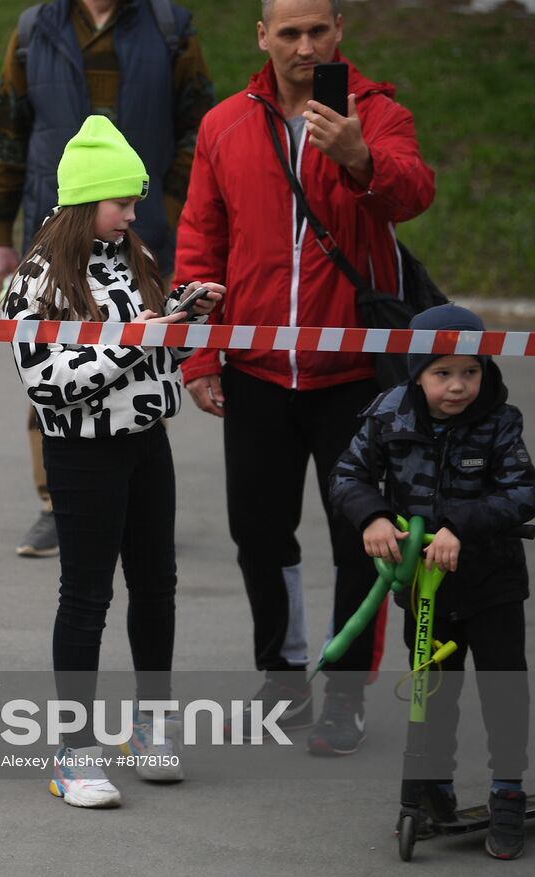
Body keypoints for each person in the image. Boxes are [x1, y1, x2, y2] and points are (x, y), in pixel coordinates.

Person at [176, 0, 435, 754]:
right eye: (288, 32)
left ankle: (345, 695)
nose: (304, 45)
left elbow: (414, 193)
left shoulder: (376, 114)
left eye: (317, 30)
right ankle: (283, 681)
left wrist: (360, 157)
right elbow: (201, 241)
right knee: (258, 534)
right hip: (257, 370)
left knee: (362, 538)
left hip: (355, 374)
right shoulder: (225, 124)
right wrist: (200, 353)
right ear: (263, 37)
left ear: (338, 31)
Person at [3, 116, 222, 808]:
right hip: (82, 452)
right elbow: (46, 383)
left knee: (157, 586)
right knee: (86, 597)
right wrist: (135, 340)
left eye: (134, 202)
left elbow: (158, 355)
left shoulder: (135, 255)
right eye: (122, 202)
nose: (133, 214)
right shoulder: (36, 277)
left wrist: (186, 319)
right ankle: (72, 753)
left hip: (147, 442)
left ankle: (150, 724)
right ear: (85, 201)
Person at [0, 0, 214, 558]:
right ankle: (56, 504)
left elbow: (198, 129)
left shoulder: (170, 28)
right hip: (61, 228)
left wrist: (164, 209)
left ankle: (136, 497)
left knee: (144, 348)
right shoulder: (35, 29)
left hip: (140, 232)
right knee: (61, 362)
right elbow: (6, 131)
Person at [330, 304, 533, 860]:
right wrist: (372, 516)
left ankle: (507, 791)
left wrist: (459, 527)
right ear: (417, 372)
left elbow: (522, 492)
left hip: (491, 580)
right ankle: (434, 785)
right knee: (432, 691)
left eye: (470, 371)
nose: (458, 386)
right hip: (423, 586)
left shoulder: (499, 420)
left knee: (503, 688)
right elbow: (347, 474)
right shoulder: (388, 414)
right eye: (442, 373)